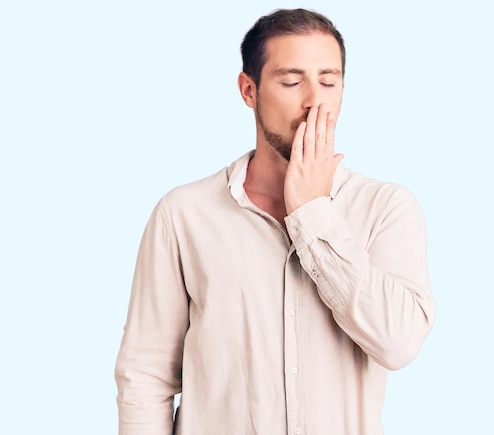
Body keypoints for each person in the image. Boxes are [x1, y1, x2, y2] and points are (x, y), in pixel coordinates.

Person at [115, 8, 435, 435]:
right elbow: (145, 376)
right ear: (249, 90)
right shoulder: (184, 214)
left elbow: (397, 343)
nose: (314, 101)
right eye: (290, 81)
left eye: (328, 81)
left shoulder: (386, 207)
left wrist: (313, 214)